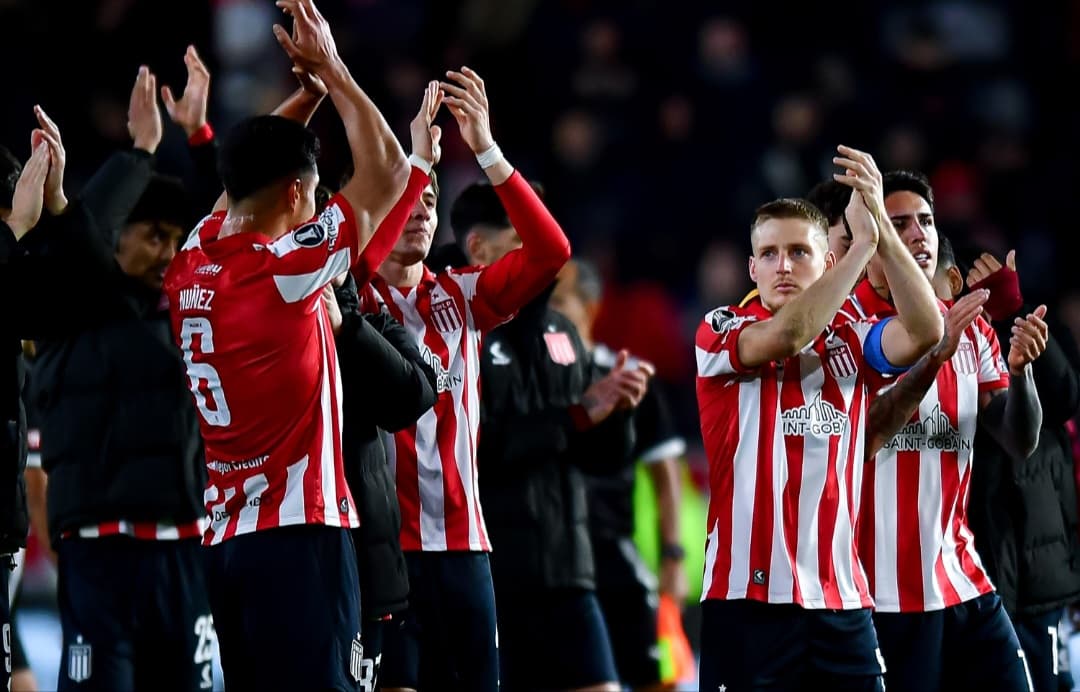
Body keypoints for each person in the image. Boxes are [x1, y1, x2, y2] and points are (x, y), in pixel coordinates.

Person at [163, 0, 432, 688]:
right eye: (311, 198)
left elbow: (243, 174)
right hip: (300, 535)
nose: (314, 213)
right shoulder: (286, 268)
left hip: (226, 542)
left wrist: (308, 97)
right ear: (294, 194)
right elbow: (393, 173)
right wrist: (335, 71)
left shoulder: (195, 257)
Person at [695, 145, 944, 691]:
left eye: (799, 253)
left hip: (841, 600)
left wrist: (877, 218)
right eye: (769, 253)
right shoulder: (720, 329)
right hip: (748, 599)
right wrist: (861, 256)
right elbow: (790, 334)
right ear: (751, 266)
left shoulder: (852, 340)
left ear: (825, 262)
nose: (783, 266)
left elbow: (927, 331)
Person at [365, 67, 573, 692]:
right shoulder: (351, 295)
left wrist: (485, 149)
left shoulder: (461, 294)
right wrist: (417, 167)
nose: (421, 209)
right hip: (385, 548)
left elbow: (552, 252)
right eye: (410, 198)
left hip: (463, 544)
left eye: (430, 201)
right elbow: (358, 263)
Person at [853, 171, 1048, 691]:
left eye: (926, 221)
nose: (918, 234)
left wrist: (1022, 368)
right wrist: (934, 357)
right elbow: (866, 432)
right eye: (898, 224)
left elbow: (1018, 438)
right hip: (879, 594)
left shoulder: (970, 326)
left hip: (962, 579)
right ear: (870, 246)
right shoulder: (849, 328)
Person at [448, 187, 648, 692]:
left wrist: (616, 412)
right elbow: (481, 449)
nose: (539, 249)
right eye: (521, 237)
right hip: (497, 577)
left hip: (569, 571)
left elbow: (602, 459)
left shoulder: (561, 329)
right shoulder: (458, 329)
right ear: (479, 249)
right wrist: (578, 413)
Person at [551, 257, 691, 691]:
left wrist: (673, 557)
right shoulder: (534, 375)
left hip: (613, 553)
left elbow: (665, 475)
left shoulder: (630, 378)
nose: (547, 312)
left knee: (657, 676)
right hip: (549, 560)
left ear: (590, 307)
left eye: (558, 300)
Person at [953, 246, 1080, 692]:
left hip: (1037, 573)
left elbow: (1064, 397)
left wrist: (1011, 312)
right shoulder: (941, 343)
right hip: (972, 573)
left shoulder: (1028, 322)